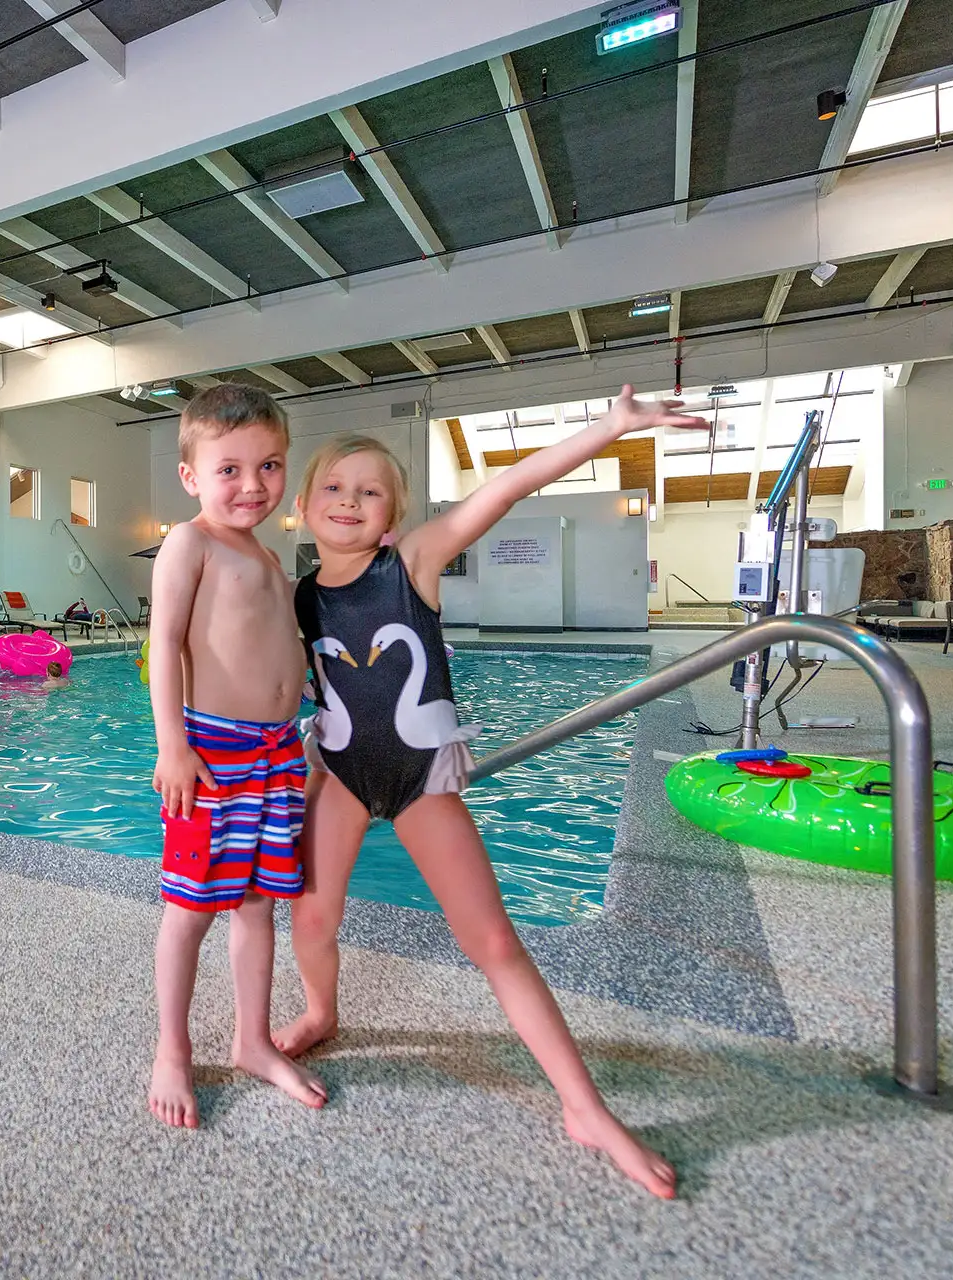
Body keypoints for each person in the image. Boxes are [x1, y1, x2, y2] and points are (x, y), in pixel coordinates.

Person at [279, 387, 705, 1199]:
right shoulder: (299, 597)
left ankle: (586, 1106)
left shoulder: (412, 565)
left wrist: (610, 428)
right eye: (334, 487)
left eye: (370, 492)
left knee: (494, 943)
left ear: (394, 517)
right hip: (335, 773)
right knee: (311, 914)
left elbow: (503, 489)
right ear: (302, 507)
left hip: (417, 782)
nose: (350, 501)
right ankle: (321, 1010)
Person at [147, 383, 327, 1129]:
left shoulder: (267, 552)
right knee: (189, 912)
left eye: (270, 465)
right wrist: (174, 747)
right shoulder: (190, 543)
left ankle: (252, 1040)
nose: (252, 485)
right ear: (191, 475)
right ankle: (172, 1052)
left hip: (278, 754)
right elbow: (161, 643)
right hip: (213, 754)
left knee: (257, 905)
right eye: (229, 469)